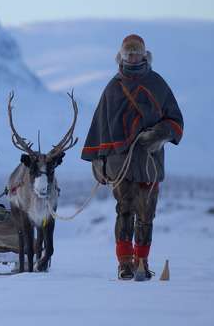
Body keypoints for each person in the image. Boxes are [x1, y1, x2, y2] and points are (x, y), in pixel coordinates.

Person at [81, 34, 183, 280]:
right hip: (120, 161)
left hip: (149, 160)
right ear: (122, 56)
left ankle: (142, 262)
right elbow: (100, 126)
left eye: (137, 52)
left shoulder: (157, 84)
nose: (133, 56)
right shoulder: (113, 87)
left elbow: (175, 120)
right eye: (129, 53)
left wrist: (158, 134)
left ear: (144, 54)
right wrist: (99, 160)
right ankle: (125, 263)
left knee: (146, 211)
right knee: (124, 209)